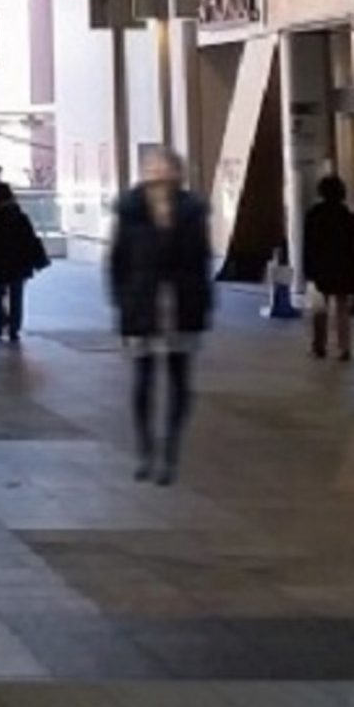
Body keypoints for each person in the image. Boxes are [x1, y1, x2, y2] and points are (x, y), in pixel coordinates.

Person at [107, 146, 213, 485]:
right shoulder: (131, 211)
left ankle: (170, 451)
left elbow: (201, 261)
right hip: (142, 307)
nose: (157, 173)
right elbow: (117, 261)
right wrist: (122, 303)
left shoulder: (192, 211)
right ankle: (145, 449)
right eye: (151, 167)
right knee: (143, 381)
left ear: (177, 173)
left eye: (163, 167)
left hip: (180, 307)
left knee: (180, 383)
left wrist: (203, 302)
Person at [0, 181, 51, 343]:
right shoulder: (20, 218)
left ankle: (0, 326)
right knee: (16, 295)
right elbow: (30, 240)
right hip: (18, 264)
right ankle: (14, 328)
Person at [303, 173, 354, 362]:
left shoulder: (314, 214)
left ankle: (319, 346)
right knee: (342, 310)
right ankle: (344, 348)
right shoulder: (347, 216)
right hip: (343, 268)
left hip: (320, 268)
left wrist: (308, 270)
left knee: (319, 308)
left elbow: (308, 245)